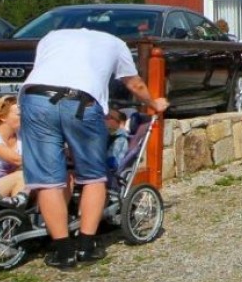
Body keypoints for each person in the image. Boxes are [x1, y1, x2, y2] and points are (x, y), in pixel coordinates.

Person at [19, 27, 167, 268]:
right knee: (93, 176)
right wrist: (154, 103)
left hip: (36, 98)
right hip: (81, 101)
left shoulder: (51, 36)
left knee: (48, 180)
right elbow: (134, 83)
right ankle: (87, 246)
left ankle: (63, 251)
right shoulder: (116, 43)